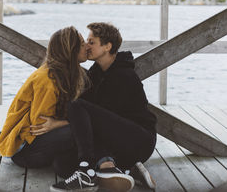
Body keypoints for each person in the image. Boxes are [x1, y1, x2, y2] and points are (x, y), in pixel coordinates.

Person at [51, 23, 157, 192]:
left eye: (91, 42)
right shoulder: (96, 73)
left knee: (76, 104)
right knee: (61, 164)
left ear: (107, 46)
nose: (86, 45)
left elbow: (92, 118)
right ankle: (128, 170)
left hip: (139, 140)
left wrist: (57, 124)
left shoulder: (125, 75)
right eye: (86, 41)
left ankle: (87, 171)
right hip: (114, 142)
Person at [0, 26, 98, 191]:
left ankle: (101, 171)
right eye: (81, 44)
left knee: (64, 164)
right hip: (23, 151)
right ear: (69, 50)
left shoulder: (70, 73)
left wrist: (63, 123)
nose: (87, 46)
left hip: (43, 144)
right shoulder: (48, 80)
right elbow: (40, 126)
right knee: (80, 130)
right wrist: (64, 124)